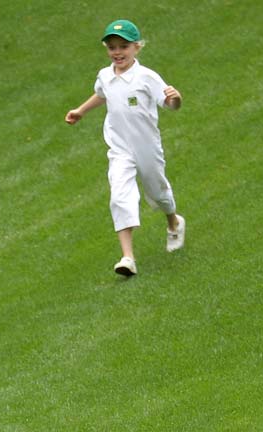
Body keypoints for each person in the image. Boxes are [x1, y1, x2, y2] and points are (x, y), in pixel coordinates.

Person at [65, 18, 187, 277]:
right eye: (112, 47)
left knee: (159, 193)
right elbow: (102, 93)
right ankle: (128, 257)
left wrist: (176, 100)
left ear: (137, 48)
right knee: (120, 197)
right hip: (119, 148)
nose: (117, 52)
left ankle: (174, 222)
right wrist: (81, 111)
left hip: (147, 147)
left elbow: (169, 105)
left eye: (123, 46)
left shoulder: (147, 77)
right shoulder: (105, 75)